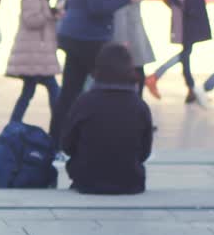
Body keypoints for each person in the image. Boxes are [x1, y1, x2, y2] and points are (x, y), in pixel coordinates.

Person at [48, 0, 140, 148]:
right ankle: (115, 142)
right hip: (91, 37)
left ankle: (56, 143)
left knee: (69, 92)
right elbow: (97, 6)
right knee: (111, 90)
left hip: (73, 34)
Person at [61, 42, 155, 195]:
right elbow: (145, 152)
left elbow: (67, 145)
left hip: (87, 181)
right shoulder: (139, 106)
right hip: (131, 182)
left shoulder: (84, 102)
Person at [4, 0, 61, 123]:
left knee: (29, 92)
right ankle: (59, 124)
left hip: (35, 52)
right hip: (35, 52)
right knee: (52, 89)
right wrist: (52, 14)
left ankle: (14, 124)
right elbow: (31, 19)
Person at [110, 0, 156, 97]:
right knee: (135, 76)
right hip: (129, 31)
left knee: (135, 74)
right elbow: (120, 8)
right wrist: (122, 38)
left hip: (131, 29)